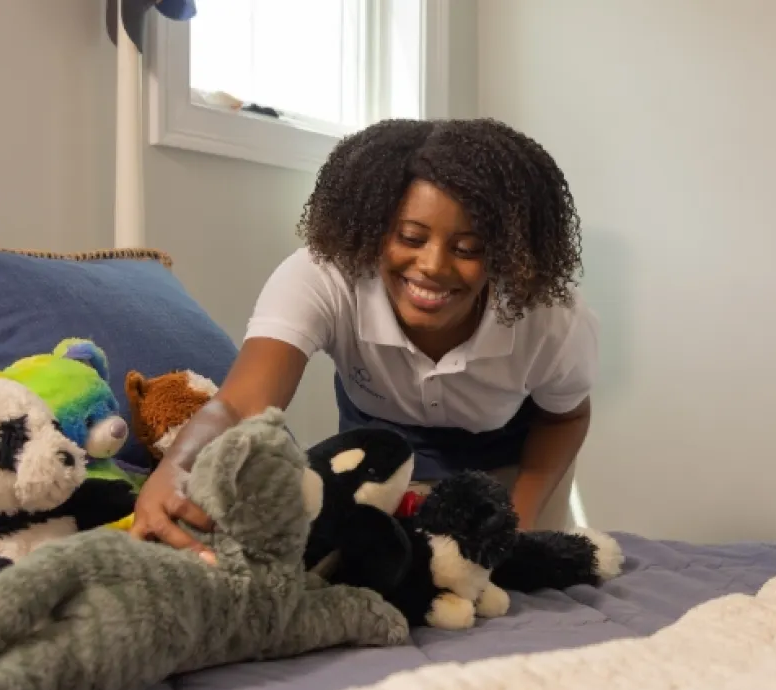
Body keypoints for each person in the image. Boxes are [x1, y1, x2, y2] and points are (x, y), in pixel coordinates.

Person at [130, 118, 598, 556]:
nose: (433, 266)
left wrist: (522, 516)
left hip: (513, 469)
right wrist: (178, 465)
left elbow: (563, 419)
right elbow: (239, 404)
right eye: (410, 238)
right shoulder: (323, 277)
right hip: (378, 463)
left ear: (506, 250)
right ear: (372, 228)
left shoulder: (550, 316)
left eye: (468, 249)